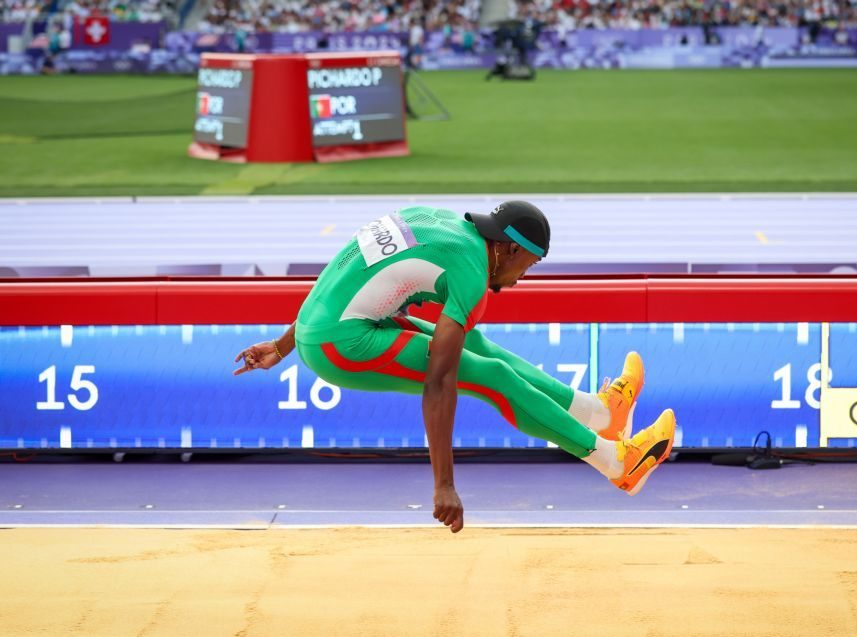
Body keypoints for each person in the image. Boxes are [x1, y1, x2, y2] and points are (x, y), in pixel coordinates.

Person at [233, 202, 676, 533]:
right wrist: (444, 485)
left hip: (323, 323)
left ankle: (600, 414)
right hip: (342, 344)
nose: (523, 277)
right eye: (528, 263)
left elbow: (341, 279)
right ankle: (618, 466)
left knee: (476, 343)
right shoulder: (469, 270)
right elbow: (439, 383)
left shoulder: (438, 222)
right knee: (490, 377)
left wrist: (282, 343)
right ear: (505, 249)